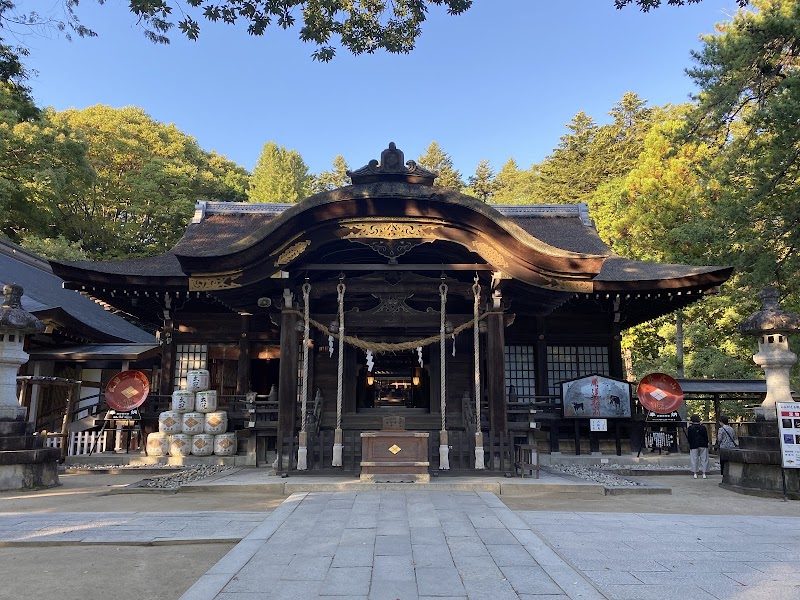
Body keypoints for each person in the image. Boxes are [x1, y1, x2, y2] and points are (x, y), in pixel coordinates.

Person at [687, 414, 709, 479]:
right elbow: (706, 437)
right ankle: (704, 473)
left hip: (694, 445)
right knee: (704, 459)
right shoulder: (703, 427)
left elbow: (689, 438)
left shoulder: (690, 428)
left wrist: (690, 444)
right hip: (703, 444)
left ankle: (695, 473)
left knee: (694, 459)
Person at [716, 415, 738, 481]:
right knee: (730, 461)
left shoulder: (721, 429)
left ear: (721, 422)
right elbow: (734, 437)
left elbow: (719, 439)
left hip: (724, 447)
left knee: (723, 461)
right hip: (731, 446)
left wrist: (717, 445)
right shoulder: (731, 429)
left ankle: (724, 474)